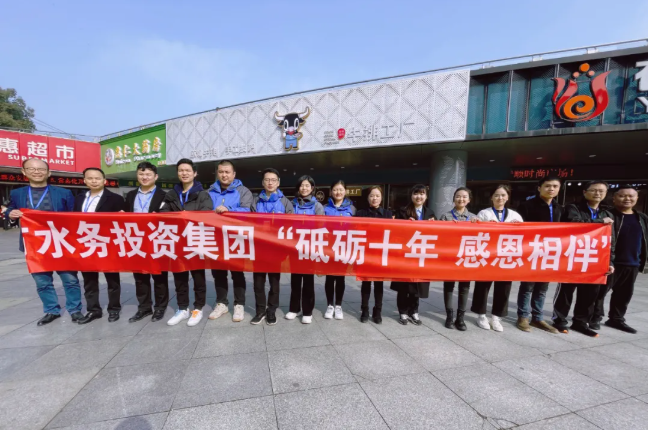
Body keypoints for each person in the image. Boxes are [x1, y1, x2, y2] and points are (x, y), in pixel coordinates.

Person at [5, 158, 81, 326]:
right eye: (31, 169)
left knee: (70, 280)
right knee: (42, 281)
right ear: (24, 172)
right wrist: (10, 214)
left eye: (41, 169)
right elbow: (11, 208)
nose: (36, 172)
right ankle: (51, 310)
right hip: (34, 246)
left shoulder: (64, 193)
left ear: (48, 172)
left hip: (61, 243)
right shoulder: (17, 193)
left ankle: (75, 310)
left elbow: (74, 216)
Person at [552, 181, 615, 337]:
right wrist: (599, 222)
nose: (598, 193)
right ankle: (559, 320)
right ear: (585, 192)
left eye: (601, 191)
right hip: (572, 257)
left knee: (589, 293)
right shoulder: (573, 208)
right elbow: (574, 224)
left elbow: (610, 240)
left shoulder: (607, 213)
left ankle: (580, 322)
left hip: (594, 259)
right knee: (566, 291)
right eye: (594, 190)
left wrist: (610, 261)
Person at [161, 158, 213, 327]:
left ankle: (198, 308)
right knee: (179, 277)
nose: (184, 173)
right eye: (181, 170)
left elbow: (206, 214)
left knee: (198, 277)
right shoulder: (171, 194)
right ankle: (182, 308)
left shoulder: (203, 194)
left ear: (194, 173)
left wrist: (184, 215)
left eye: (187, 170)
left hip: (196, 241)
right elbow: (163, 214)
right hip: (177, 242)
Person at [593, 185, 648, 334]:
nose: (627, 199)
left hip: (633, 262)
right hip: (610, 262)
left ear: (637, 198)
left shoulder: (642, 218)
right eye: (622, 196)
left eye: (631, 196)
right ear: (614, 198)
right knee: (600, 293)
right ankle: (595, 318)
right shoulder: (607, 215)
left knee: (624, 294)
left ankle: (616, 319)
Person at [74, 167, 125, 324]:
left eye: (97, 178)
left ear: (104, 181)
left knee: (112, 280)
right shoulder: (79, 198)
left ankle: (114, 309)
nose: (94, 181)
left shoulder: (115, 199)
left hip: (108, 244)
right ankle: (93, 310)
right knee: (89, 280)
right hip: (85, 243)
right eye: (90, 178)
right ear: (84, 180)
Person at [471, 185, 523, 332]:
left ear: (507, 197)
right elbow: (476, 232)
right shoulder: (484, 213)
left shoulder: (515, 215)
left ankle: (496, 316)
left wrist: (518, 227)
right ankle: (481, 315)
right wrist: (476, 222)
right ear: (491, 198)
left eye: (503, 195)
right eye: (496, 195)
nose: (500, 198)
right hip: (487, 255)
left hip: (506, 256)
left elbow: (523, 235)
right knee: (482, 286)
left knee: (504, 287)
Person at [516, 176, 563, 333]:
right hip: (531, 251)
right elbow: (518, 228)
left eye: (555, 186)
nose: (551, 189)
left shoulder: (559, 208)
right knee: (527, 286)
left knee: (542, 287)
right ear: (539, 188)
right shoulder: (527, 206)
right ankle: (523, 317)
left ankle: (537, 318)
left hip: (550, 252)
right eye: (547, 186)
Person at [208, 160, 253, 323]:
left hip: (235, 237)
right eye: (221, 172)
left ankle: (239, 304)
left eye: (227, 172)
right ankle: (222, 303)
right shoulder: (209, 192)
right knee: (218, 273)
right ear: (217, 173)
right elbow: (203, 211)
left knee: (237, 273)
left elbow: (248, 210)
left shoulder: (243, 191)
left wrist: (229, 211)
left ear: (234, 174)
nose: (224, 175)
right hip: (215, 238)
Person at [125, 161, 170, 323]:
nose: (144, 177)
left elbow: (169, 217)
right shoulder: (130, 195)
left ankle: (160, 307)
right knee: (140, 277)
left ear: (155, 177)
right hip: (136, 240)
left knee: (159, 276)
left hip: (156, 240)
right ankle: (144, 307)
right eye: (141, 174)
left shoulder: (165, 195)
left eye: (148, 174)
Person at [251, 168, 294, 325]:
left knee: (274, 282)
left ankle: (271, 310)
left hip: (276, 249)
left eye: (273, 180)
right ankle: (260, 311)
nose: (270, 182)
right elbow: (248, 222)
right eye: (267, 180)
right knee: (258, 282)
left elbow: (291, 225)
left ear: (278, 182)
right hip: (259, 248)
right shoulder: (255, 201)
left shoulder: (285, 202)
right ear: (263, 182)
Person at [391, 184, 435, 325]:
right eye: (416, 193)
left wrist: (433, 225)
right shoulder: (402, 211)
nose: (419, 196)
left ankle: (414, 311)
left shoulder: (430, 213)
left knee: (417, 285)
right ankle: (403, 312)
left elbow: (436, 234)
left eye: (422, 194)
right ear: (411, 196)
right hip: (405, 254)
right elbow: (395, 231)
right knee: (404, 285)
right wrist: (406, 224)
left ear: (426, 196)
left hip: (421, 255)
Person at [286, 175, 324, 324]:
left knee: (308, 280)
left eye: (307, 185)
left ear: (312, 188)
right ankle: (294, 308)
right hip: (295, 246)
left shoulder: (317, 206)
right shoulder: (291, 204)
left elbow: (321, 226)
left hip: (310, 247)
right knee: (295, 279)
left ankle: (307, 311)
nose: (304, 188)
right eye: (302, 185)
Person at [439, 187, 477, 331]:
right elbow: (438, 236)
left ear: (469, 200)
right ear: (453, 199)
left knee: (464, 287)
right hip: (450, 257)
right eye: (458, 196)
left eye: (464, 196)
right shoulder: (446, 216)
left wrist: (477, 224)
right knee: (449, 286)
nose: (461, 199)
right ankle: (449, 316)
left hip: (467, 257)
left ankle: (460, 318)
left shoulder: (474, 218)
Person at [355, 186, 392, 324]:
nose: (374, 198)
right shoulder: (360, 213)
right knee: (365, 283)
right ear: (367, 197)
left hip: (380, 253)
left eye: (377, 195)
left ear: (381, 198)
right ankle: (364, 310)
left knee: (379, 284)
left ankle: (378, 311)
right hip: (365, 253)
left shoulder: (387, 214)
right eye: (371, 195)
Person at [323, 180, 356, 320]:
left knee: (341, 277)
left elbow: (356, 228)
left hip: (344, 247)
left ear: (345, 191)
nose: (338, 192)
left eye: (341, 189)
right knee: (330, 277)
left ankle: (338, 305)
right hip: (329, 247)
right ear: (331, 192)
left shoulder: (352, 209)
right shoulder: (325, 208)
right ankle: (330, 305)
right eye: (335, 189)